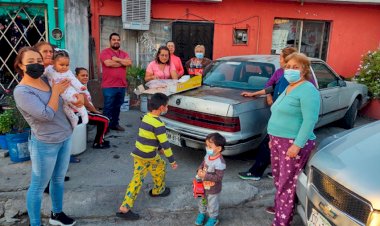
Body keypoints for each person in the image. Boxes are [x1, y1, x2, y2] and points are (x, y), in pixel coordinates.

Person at [13, 46, 77, 226]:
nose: (37, 65)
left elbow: (65, 98)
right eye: (31, 62)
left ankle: (56, 214)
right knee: (38, 186)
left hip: (65, 136)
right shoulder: (22, 91)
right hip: (45, 143)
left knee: (58, 179)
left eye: (39, 61)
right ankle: (35, 223)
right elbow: (46, 115)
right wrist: (56, 92)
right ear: (20, 65)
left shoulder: (46, 79)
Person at [267, 53, 320, 226]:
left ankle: (281, 221)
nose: (290, 70)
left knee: (286, 184)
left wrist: (297, 145)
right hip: (277, 141)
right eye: (288, 66)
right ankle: (281, 208)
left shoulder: (308, 89)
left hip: (292, 143)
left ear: (304, 70)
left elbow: (310, 120)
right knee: (278, 179)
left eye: (295, 67)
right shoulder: (289, 86)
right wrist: (271, 138)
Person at [116, 93, 178, 220]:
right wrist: (172, 161)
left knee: (137, 179)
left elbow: (148, 136)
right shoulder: (159, 124)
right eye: (167, 106)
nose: (167, 108)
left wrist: (158, 148)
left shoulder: (145, 117)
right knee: (161, 165)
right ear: (161, 107)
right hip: (149, 155)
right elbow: (166, 144)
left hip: (138, 153)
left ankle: (125, 206)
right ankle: (158, 190)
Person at [44, 49, 89, 128]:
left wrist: (80, 87)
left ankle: (83, 114)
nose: (64, 67)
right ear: (53, 63)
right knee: (66, 109)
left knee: (75, 103)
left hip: (69, 92)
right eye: (61, 65)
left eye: (67, 65)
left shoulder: (68, 72)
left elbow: (74, 80)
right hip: (59, 96)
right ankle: (74, 119)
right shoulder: (49, 69)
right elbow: (42, 73)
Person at [100, 32, 132, 132]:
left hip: (121, 85)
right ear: (110, 41)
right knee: (108, 107)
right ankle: (105, 127)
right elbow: (108, 63)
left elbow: (129, 62)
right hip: (109, 86)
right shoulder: (105, 52)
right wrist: (122, 63)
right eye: (114, 40)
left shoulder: (123, 53)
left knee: (117, 106)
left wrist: (117, 59)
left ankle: (114, 124)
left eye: (118, 40)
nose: (116, 41)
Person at [194, 133, 226, 226]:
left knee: (212, 205)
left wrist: (205, 175)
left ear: (219, 149)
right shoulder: (208, 155)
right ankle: (202, 213)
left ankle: (213, 218)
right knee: (202, 200)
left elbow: (218, 177)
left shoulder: (220, 163)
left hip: (213, 189)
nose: (207, 148)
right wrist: (199, 169)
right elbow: (203, 163)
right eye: (206, 145)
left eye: (209, 146)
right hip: (202, 186)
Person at [75, 67, 110, 149]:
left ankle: (100, 140)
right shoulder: (78, 87)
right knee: (105, 120)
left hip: (84, 112)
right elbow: (86, 103)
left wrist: (94, 110)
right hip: (79, 114)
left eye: (87, 75)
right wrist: (95, 111)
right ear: (76, 77)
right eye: (82, 75)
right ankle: (98, 143)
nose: (85, 77)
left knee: (103, 118)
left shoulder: (81, 86)